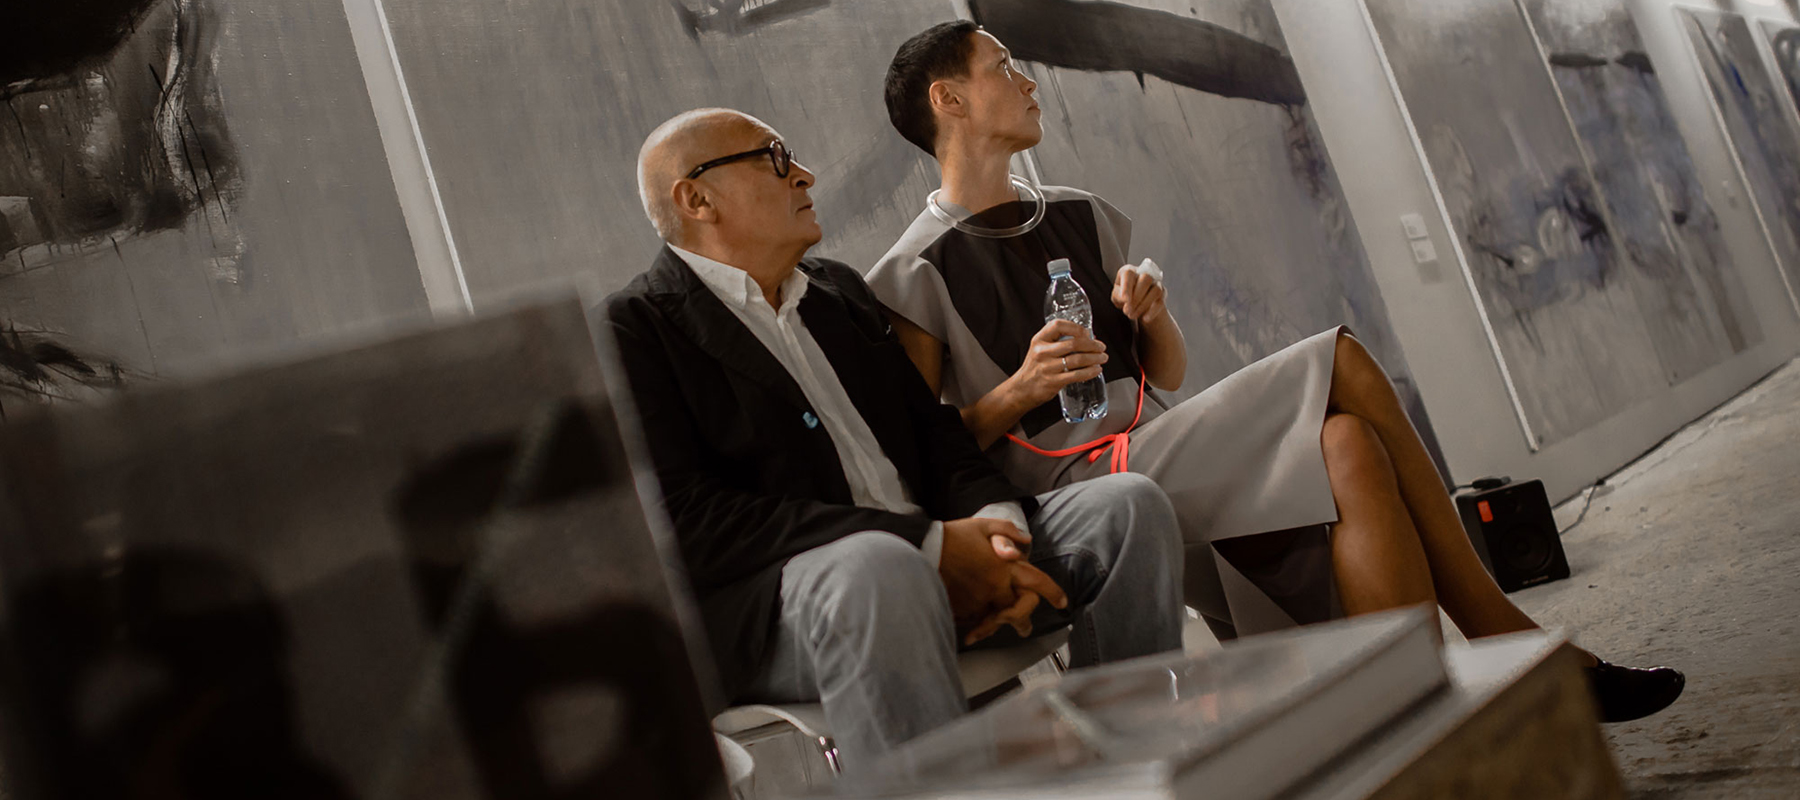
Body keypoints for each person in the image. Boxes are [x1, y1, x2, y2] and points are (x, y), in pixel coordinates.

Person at [867, 20, 1683, 723]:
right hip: (1075, 489)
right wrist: (1019, 389)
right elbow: (925, 451)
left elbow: (1166, 374)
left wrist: (1152, 316)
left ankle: (1424, 715)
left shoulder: (1080, 213)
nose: (1028, 81)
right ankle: (1504, 634)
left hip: (1158, 446)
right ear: (950, 100)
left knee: (1350, 444)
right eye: (1004, 67)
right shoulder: (910, 271)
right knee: (1342, 358)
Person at [602, 107, 1186, 769]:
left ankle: (1129, 766)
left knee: (1127, 508)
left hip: (928, 550)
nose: (805, 174)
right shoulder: (631, 330)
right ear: (696, 198)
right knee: (881, 568)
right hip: (786, 609)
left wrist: (996, 537)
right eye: (775, 158)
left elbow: (936, 439)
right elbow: (685, 522)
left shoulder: (840, 292)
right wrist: (930, 547)